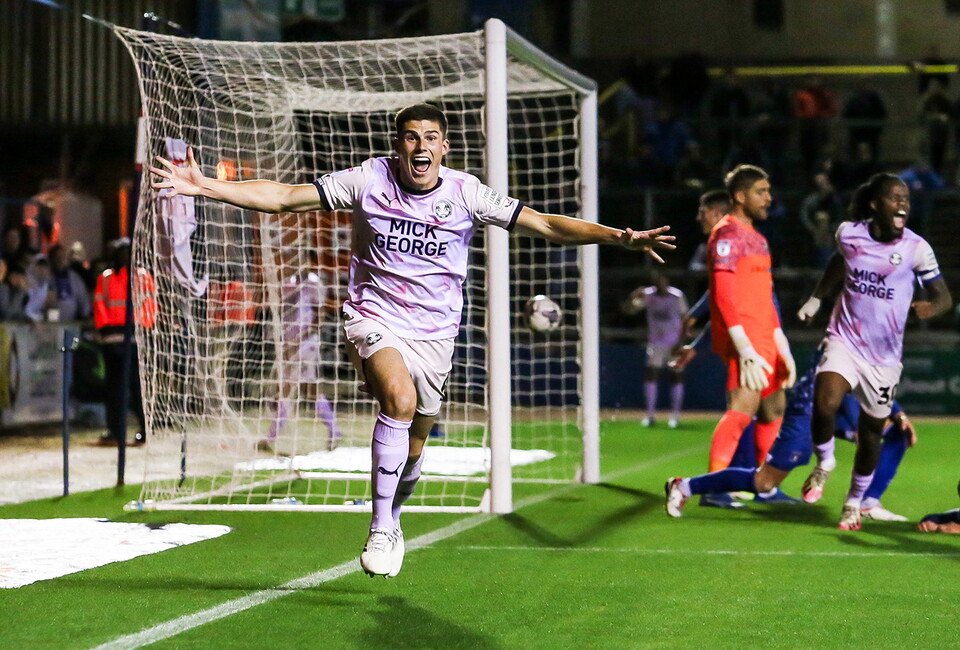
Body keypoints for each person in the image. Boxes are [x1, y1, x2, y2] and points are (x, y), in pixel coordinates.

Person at [150, 102, 676, 578]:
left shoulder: (467, 192)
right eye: (409, 136)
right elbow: (288, 198)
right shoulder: (368, 180)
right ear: (397, 145)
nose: (419, 146)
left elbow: (543, 224)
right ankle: (379, 526)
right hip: (372, 317)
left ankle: (394, 515)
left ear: (444, 147)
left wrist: (618, 236)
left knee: (416, 444)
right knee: (397, 401)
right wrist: (207, 187)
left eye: (430, 137)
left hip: (436, 336)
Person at [796, 172, 952, 530]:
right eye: (895, 198)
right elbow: (840, 261)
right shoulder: (849, 233)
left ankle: (853, 502)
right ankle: (824, 463)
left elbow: (944, 295)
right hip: (845, 338)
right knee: (825, 402)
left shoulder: (916, 248)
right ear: (874, 204)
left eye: (906, 199)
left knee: (871, 434)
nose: (902, 204)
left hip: (883, 358)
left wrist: (933, 307)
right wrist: (817, 298)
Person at [666, 344, 917, 520]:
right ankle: (684, 486)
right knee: (764, 481)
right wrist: (859, 427)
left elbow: (874, 380)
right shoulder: (849, 329)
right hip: (812, 410)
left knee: (900, 432)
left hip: (843, 407)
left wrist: (899, 414)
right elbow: (847, 380)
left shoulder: (878, 331)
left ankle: (868, 503)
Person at [699, 165, 796, 491]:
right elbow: (724, 297)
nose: (768, 198)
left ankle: (765, 488)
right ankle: (713, 488)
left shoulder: (757, 238)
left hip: (765, 336)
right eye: (761, 191)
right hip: (747, 340)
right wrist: (743, 347)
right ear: (740, 197)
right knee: (741, 410)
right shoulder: (726, 236)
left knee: (773, 410)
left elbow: (766, 295)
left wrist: (780, 339)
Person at [257, 255, 341, 453]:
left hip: (305, 344)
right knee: (306, 391)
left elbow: (319, 315)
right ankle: (334, 431)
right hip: (291, 344)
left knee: (291, 389)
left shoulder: (312, 282)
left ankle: (271, 438)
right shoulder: (290, 282)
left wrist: (300, 339)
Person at [93, 238, 157, 447]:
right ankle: (115, 431)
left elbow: (150, 306)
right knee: (114, 390)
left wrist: (142, 328)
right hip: (113, 341)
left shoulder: (142, 277)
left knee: (138, 388)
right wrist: (106, 330)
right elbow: (99, 305)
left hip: (134, 340)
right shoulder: (106, 278)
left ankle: (145, 431)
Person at [622, 272, 688, 428]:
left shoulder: (677, 296)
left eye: (663, 280)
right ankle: (650, 415)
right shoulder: (648, 295)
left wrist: (682, 342)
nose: (660, 284)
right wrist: (633, 296)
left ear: (668, 281)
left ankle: (675, 417)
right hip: (656, 342)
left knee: (676, 376)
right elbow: (628, 310)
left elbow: (686, 318)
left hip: (674, 342)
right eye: (657, 281)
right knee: (651, 376)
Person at [799, 172, 844, 269]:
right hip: (814, 233)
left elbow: (839, 218)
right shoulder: (810, 201)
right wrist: (813, 229)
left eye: (825, 183)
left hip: (831, 233)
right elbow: (804, 217)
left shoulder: (835, 201)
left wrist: (830, 229)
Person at [687, 189, 731, 272]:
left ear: (716, 214)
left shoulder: (738, 243)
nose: (698, 218)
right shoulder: (706, 246)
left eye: (703, 213)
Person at [47, 243, 92, 321]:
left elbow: (82, 297)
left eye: (63, 257)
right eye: (57, 257)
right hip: (50, 324)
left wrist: (86, 314)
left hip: (71, 323)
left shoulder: (74, 277)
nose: (60, 260)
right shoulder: (46, 276)